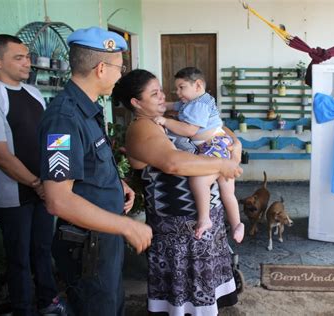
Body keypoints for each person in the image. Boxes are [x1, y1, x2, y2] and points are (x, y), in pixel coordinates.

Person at [37, 27, 153, 316]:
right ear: (101, 68)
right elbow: (58, 199)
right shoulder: (64, 118)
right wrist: (127, 225)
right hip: (87, 244)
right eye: (119, 67)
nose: (120, 74)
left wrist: (117, 183)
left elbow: (88, 164)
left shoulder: (86, 108)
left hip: (103, 236)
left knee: (111, 306)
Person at [111, 69, 243, 315]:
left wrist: (234, 146)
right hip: (179, 231)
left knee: (204, 298)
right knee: (184, 301)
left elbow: (217, 128)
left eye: (161, 90)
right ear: (136, 103)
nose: (163, 96)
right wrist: (224, 163)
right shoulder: (141, 128)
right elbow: (174, 163)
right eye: (154, 93)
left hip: (200, 227)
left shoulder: (170, 118)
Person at [0, 34, 66, 315]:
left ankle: (48, 302)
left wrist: (57, 175)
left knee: (43, 249)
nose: (27, 63)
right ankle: (23, 308)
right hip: (14, 193)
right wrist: (36, 183)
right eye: (18, 58)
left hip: (44, 187)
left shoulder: (32, 92)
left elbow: (52, 136)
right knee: (19, 257)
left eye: (28, 57)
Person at [154, 67, 244, 242]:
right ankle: (237, 224)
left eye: (181, 87)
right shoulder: (193, 102)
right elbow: (173, 105)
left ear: (197, 85)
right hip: (219, 145)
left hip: (214, 145)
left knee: (198, 180)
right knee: (227, 190)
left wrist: (166, 120)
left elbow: (189, 130)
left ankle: (204, 219)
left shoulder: (199, 105)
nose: (177, 92)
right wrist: (161, 106)